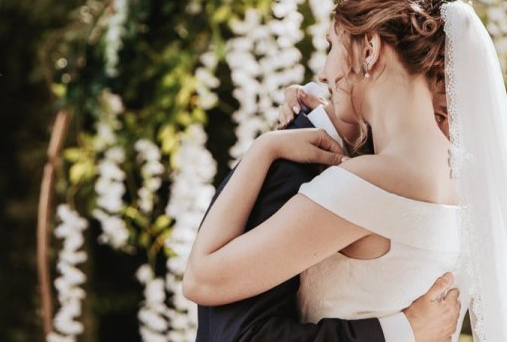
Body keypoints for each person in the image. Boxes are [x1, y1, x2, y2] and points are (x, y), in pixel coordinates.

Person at [185, 0, 507, 342]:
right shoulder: (465, 175)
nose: (321, 72)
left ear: (369, 49)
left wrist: (264, 148)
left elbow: (203, 279)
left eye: (331, 46)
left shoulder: (369, 183)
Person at [194, 84, 460, 342]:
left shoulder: (421, 184)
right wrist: (403, 331)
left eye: (333, 45)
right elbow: (240, 333)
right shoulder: (292, 166)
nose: (321, 76)